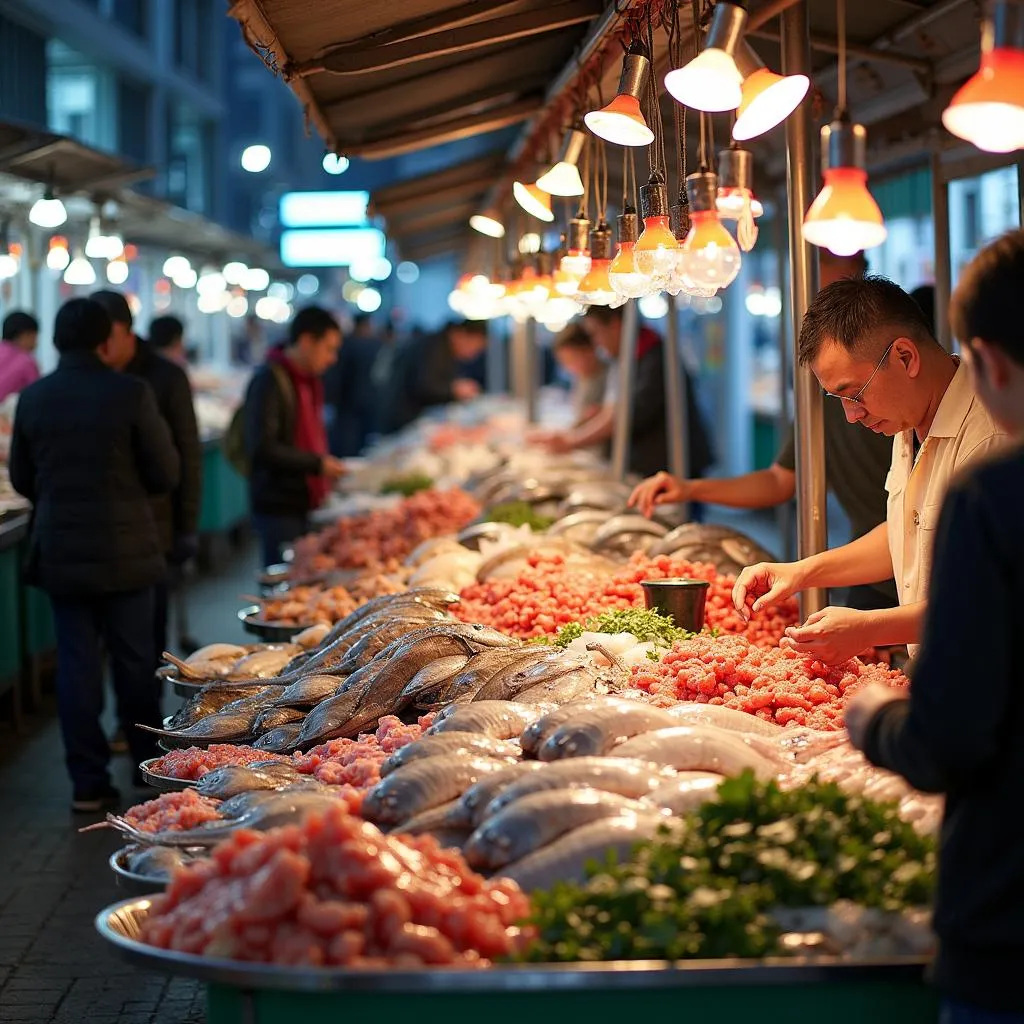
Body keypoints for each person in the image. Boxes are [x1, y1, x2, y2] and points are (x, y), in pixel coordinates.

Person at [845, 230, 1024, 1022]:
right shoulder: (920, 440)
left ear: (989, 359)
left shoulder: (996, 488)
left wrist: (875, 719)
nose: (853, 415)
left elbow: (947, 739)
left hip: (1009, 916)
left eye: (854, 393)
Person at [731, 276, 1007, 664]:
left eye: (855, 394)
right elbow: (905, 532)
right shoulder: (910, 421)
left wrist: (869, 627)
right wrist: (802, 572)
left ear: (905, 357)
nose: (851, 415)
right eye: (839, 399)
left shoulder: (990, 439)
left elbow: (987, 601)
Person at [630, 251, 897, 612]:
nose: (853, 413)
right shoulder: (821, 397)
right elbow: (779, 481)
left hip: (912, 578)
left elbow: (911, 527)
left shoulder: (902, 403)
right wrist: (689, 488)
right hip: (869, 575)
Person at [8, 298, 179, 811]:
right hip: (127, 556)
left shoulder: (34, 398)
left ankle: (88, 783)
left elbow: (20, 477)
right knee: (134, 665)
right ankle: (150, 774)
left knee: (76, 669)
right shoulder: (130, 392)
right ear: (106, 341)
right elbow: (165, 472)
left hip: (62, 553)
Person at [91, 291, 202, 661]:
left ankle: (141, 716)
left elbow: (187, 453)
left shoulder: (166, 376)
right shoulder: (92, 377)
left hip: (156, 530)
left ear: (123, 331)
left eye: (104, 337)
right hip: (98, 531)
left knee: (147, 638)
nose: (100, 348)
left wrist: (187, 526)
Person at [538, 305, 713, 481]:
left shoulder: (655, 357)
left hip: (673, 471)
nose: (596, 343)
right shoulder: (624, 358)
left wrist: (571, 441)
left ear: (615, 324)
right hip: (650, 468)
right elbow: (610, 412)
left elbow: (623, 416)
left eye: (595, 333)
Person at [244, 305, 346, 568]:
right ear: (306, 341)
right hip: (278, 504)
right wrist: (317, 464)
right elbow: (262, 447)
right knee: (283, 579)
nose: (333, 358)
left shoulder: (308, 381)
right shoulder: (269, 380)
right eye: (329, 348)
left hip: (302, 500)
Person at [379, 319, 487, 434]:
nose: (474, 354)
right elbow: (425, 385)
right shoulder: (435, 347)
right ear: (461, 334)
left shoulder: (441, 345)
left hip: (409, 417)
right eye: (476, 347)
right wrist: (455, 389)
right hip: (403, 419)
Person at [324, 312, 380, 456]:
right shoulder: (373, 345)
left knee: (348, 445)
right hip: (364, 402)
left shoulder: (347, 344)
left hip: (348, 403)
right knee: (358, 444)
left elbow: (336, 375)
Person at [552, 323, 608, 429]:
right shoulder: (580, 378)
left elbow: (598, 417)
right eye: (564, 362)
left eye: (572, 360)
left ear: (589, 350)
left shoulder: (609, 377)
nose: (569, 367)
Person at [0, 311, 40, 401]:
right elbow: (38, 396)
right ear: (24, 335)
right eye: (34, 337)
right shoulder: (27, 362)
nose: (36, 343)